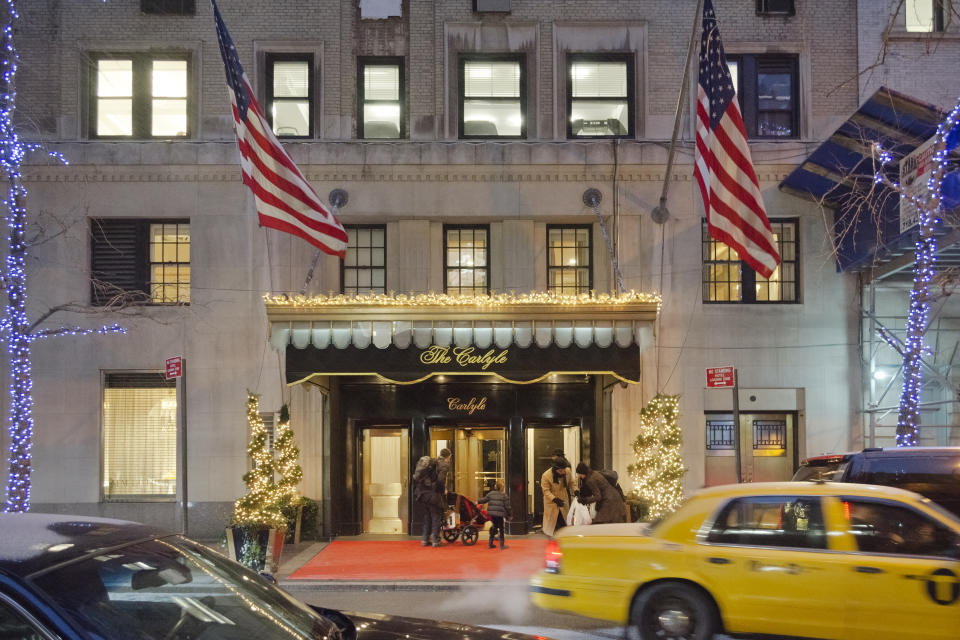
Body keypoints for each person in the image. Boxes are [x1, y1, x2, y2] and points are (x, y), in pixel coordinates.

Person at [540, 460, 571, 536]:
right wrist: (555, 499)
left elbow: (572, 482)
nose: (563, 472)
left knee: (564, 523)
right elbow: (546, 491)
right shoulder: (546, 476)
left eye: (564, 470)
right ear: (555, 469)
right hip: (551, 503)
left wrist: (576, 491)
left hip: (563, 501)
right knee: (551, 526)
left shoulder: (567, 472)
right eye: (560, 470)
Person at [478, 479, 510, 549]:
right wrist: (510, 515)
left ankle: (490, 543)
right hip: (500, 514)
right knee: (501, 528)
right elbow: (508, 507)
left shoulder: (491, 493)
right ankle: (502, 545)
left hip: (492, 514)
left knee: (494, 527)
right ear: (503, 487)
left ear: (496, 486)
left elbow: (484, 500)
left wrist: (477, 501)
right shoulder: (504, 495)